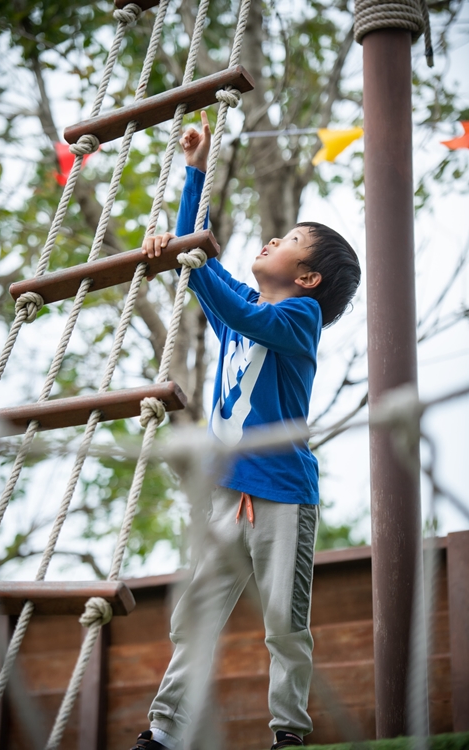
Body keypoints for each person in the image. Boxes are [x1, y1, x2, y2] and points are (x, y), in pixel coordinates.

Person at [132, 111, 361, 750]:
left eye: (288, 239)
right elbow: (200, 262)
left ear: (308, 278)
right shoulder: (246, 315)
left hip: (283, 494)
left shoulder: (298, 321)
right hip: (231, 495)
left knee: (285, 626)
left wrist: (192, 257)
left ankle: (289, 734)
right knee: (194, 616)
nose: (270, 240)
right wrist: (194, 178)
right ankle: (164, 734)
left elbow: (224, 293)